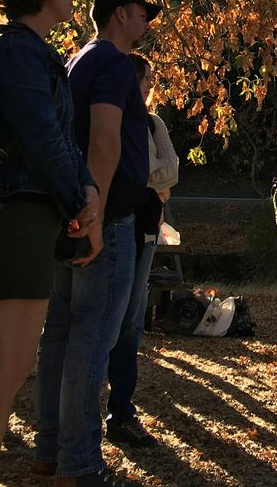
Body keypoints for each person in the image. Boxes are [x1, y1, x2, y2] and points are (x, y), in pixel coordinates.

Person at [0, 0, 98, 487]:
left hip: (27, 221)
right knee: (3, 373)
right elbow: (40, 138)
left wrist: (81, 189)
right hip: (10, 220)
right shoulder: (16, 50)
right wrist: (80, 203)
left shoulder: (36, 52)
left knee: (10, 371)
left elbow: (58, 139)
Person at [34, 0, 158, 485]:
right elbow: (104, 142)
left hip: (71, 210)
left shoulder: (76, 59)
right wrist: (96, 217)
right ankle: (80, 463)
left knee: (60, 333)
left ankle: (50, 449)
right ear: (120, 15)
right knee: (93, 338)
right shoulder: (111, 61)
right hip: (104, 218)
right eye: (143, 14)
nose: (148, 22)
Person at [104, 52, 178, 448]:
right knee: (105, 322)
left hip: (146, 233)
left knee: (131, 323)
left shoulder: (153, 123)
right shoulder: (109, 118)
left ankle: (121, 412)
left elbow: (173, 168)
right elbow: (126, 170)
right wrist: (152, 179)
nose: (151, 82)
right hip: (116, 227)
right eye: (147, 76)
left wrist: (147, 178)